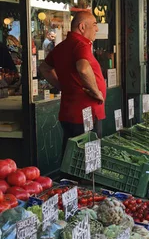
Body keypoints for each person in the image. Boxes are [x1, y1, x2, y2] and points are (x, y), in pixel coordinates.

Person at [39, 11, 106, 155]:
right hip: (86, 113)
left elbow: (44, 68)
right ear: (82, 27)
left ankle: (69, 178)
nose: (97, 29)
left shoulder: (62, 46)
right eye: (94, 25)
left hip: (69, 113)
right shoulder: (81, 45)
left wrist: (61, 86)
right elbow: (83, 68)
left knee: (71, 156)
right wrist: (97, 93)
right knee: (89, 160)